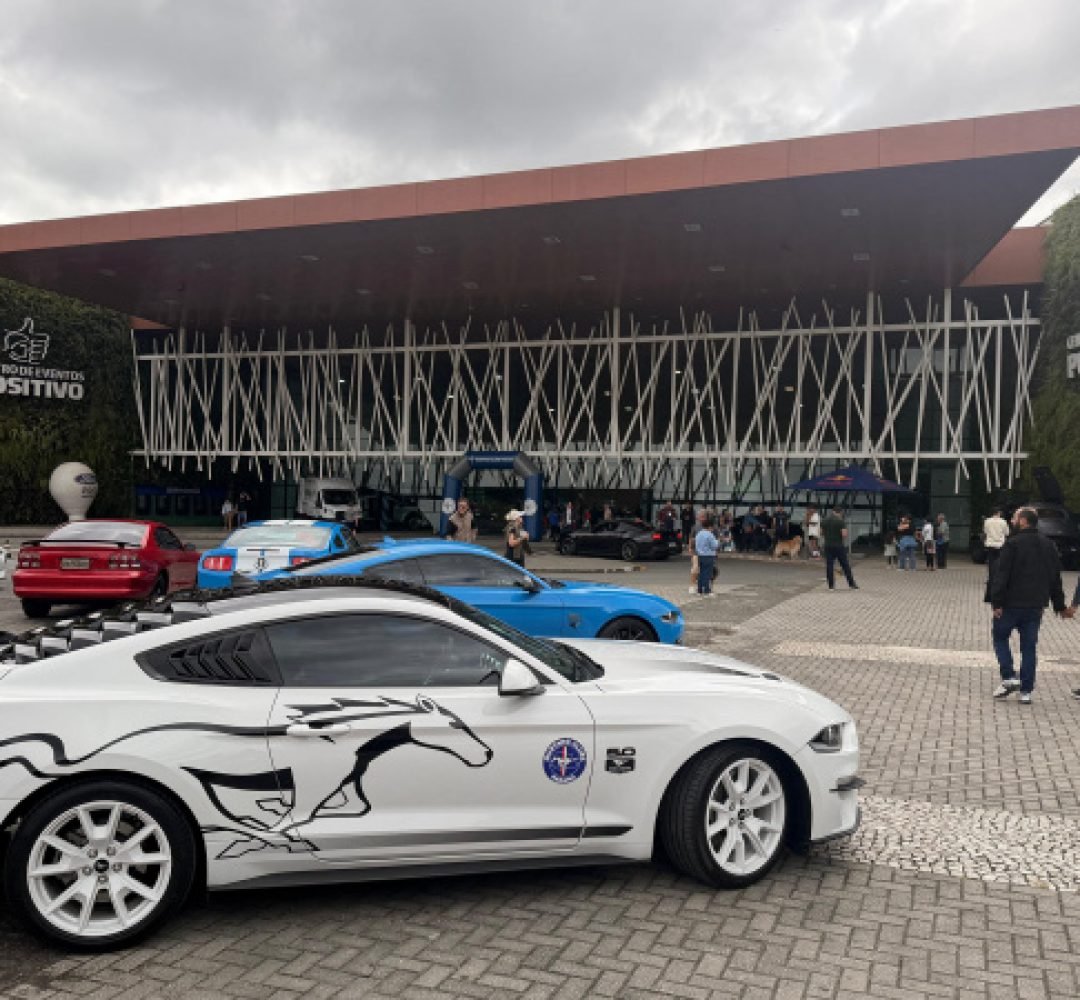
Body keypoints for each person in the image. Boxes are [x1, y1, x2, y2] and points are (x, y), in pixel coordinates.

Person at [990, 508, 1066, 704]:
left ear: (1023, 521)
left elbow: (1002, 574)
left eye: (1014, 518)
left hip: (1010, 604)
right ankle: (1026, 691)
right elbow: (1055, 577)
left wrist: (996, 602)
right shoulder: (1048, 544)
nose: (1012, 521)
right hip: (1035, 606)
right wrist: (1059, 604)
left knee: (1000, 637)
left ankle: (1009, 676)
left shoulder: (1013, 544)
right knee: (1029, 647)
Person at [820, 506, 857, 590]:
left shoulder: (824, 520)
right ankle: (851, 584)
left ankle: (831, 586)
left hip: (828, 545)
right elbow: (844, 534)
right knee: (845, 565)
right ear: (840, 512)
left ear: (832, 511)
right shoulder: (840, 521)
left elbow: (821, 533)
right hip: (838, 546)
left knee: (829, 565)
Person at [982, 507, 1009, 598]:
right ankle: (998, 578)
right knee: (1000, 563)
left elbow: (985, 531)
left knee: (991, 562)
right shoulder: (1003, 521)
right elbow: (1007, 533)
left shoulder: (987, 521)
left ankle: (991, 578)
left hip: (990, 544)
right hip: (1000, 545)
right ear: (998, 513)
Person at [695, 516, 719, 596]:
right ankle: (707, 590)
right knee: (707, 573)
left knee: (701, 572)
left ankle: (699, 590)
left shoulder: (699, 534)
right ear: (710, 526)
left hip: (700, 555)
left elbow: (696, 545)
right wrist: (717, 541)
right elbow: (714, 546)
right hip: (708, 555)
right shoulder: (709, 535)